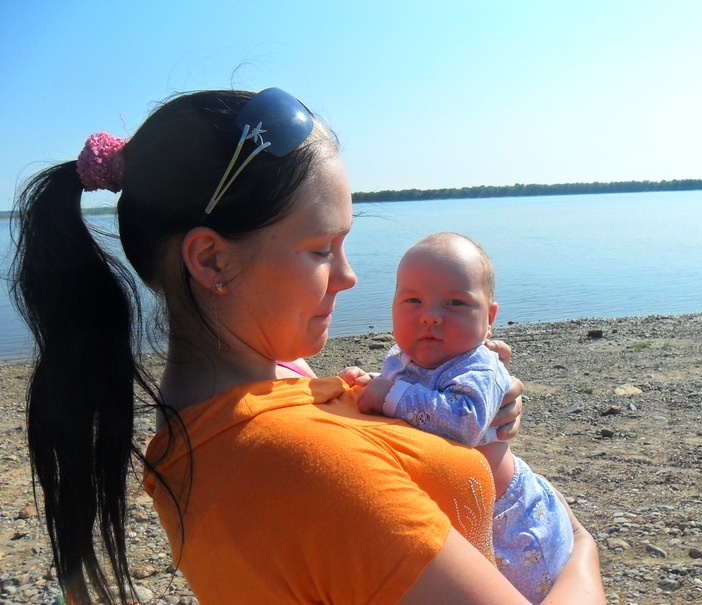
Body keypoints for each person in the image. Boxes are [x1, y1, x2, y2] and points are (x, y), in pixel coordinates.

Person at [10, 87, 605, 604]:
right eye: (322, 249)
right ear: (211, 259)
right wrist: (582, 552)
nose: (349, 277)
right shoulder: (303, 467)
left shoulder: (268, 386)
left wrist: (469, 402)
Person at [339, 232, 580, 603]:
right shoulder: (402, 358)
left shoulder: (479, 365)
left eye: (455, 303)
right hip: (460, 510)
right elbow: (411, 397)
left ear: (489, 318)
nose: (430, 316)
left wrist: (389, 394)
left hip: (507, 519)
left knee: (523, 591)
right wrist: (371, 383)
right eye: (413, 300)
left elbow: (462, 422)